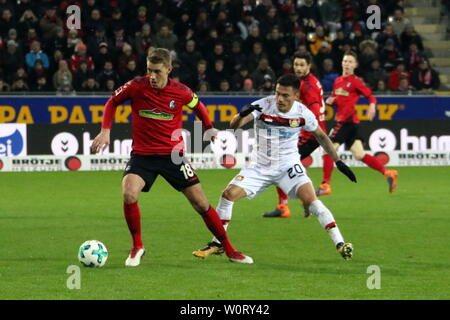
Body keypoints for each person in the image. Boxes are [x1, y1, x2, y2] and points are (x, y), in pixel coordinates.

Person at [91, 48, 252, 267]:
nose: (152, 76)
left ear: (169, 69)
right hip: (142, 156)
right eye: (149, 70)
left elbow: (198, 106)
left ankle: (230, 249)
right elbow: (112, 102)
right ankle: (137, 247)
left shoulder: (181, 91)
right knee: (129, 193)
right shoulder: (136, 86)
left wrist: (209, 128)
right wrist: (105, 130)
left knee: (201, 203)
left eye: (157, 71)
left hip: (173, 157)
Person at [192, 74, 356, 261]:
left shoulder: (303, 113)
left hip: (288, 166)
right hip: (259, 167)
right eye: (278, 93)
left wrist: (339, 161)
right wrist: (242, 114)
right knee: (228, 195)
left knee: (311, 200)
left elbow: (321, 136)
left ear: (296, 95)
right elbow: (234, 126)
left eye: (285, 95)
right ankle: (217, 243)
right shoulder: (264, 105)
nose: (280, 99)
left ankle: (340, 244)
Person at [317, 51, 398, 197]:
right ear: (342, 63)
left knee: (327, 150)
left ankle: (325, 184)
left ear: (355, 65)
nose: (347, 64)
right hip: (351, 123)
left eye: (350, 62)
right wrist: (332, 101)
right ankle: (388, 173)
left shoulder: (355, 81)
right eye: (345, 61)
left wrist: (372, 106)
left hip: (345, 122)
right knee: (359, 154)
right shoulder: (338, 81)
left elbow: (370, 96)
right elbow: (338, 100)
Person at [262, 52, 327, 218]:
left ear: (308, 66)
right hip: (309, 134)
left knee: (280, 163)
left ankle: (287, 205)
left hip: (310, 135)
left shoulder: (308, 86)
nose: (298, 68)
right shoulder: (305, 82)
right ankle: (305, 201)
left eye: (301, 65)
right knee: (289, 166)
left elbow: (311, 114)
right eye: (296, 64)